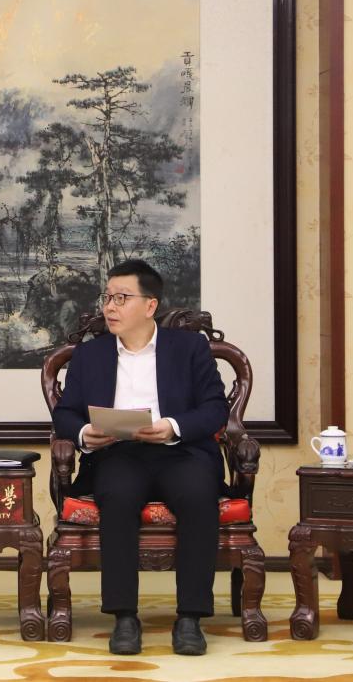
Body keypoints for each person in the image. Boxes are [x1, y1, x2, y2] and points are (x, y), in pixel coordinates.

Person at [52, 259, 227, 656]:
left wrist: (173, 426)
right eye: (107, 297)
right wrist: (85, 434)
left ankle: (190, 618)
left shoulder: (189, 348)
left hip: (178, 451)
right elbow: (65, 413)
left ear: (150, 305)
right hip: (118, 453)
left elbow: (215, 408)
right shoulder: (90, 354)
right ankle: (124, 617)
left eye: (121, 298)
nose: (109, 307)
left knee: (198, 495)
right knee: (117, 496)